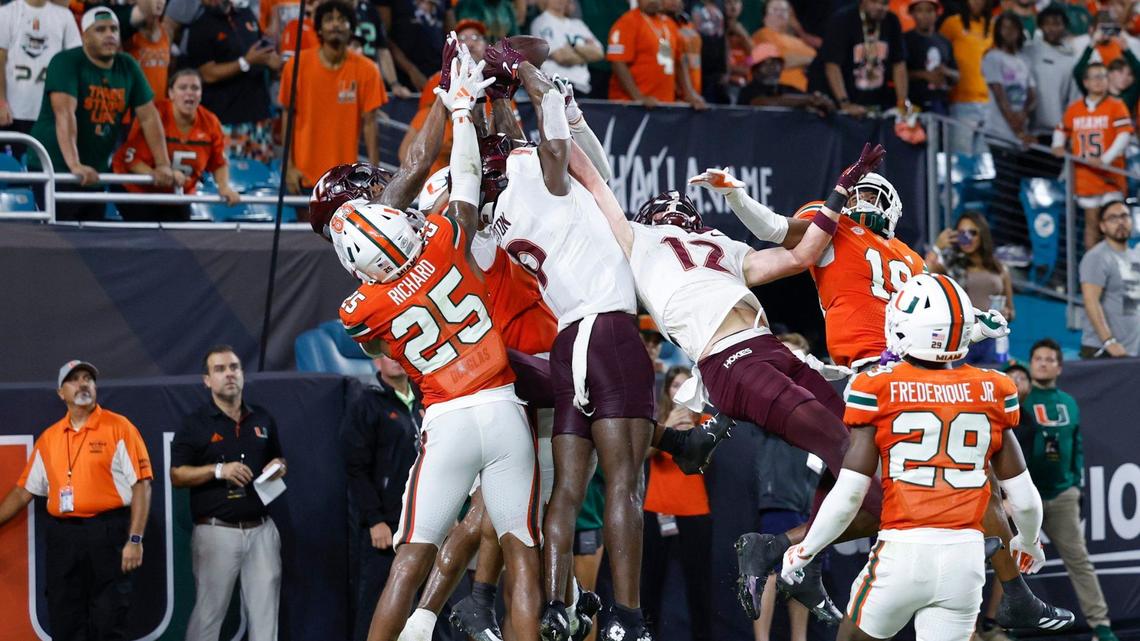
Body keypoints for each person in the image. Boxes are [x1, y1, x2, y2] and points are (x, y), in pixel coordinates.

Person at [692, 167, 1074, 633]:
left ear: (893, 208)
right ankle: (1016, 594)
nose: (866, 201)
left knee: (876, 499)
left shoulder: (912, 258)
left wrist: (976, 323)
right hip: (882, 374)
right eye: (861, 193)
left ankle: (782, 550)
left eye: (876, 193)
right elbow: (772, 228)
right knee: (969, 483)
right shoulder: (836, 227)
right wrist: (736, 197)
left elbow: (935, 315)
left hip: (909, 369)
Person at [577, 141, 891, 624]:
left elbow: (804, 253)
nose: (676, 211)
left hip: (769, 348)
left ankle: (791, 553)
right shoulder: (636, 240)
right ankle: (909, 516)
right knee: (838, 441)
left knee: (859, 430)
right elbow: (595, 183)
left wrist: (840, 189)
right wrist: (560, 113)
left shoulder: (721, 244)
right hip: (730, 362)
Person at [335, 52, 540, 641]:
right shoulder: (445, 240)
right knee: (520, 553)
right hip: (503, 408)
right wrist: (460, 111)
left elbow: (373, 315)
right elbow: (468, 182)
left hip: (447, 419)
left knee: (410, 556)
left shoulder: (361, 306)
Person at [478, 48, 660, 641]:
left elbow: (545, 154)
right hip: (606, 330)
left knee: (566, 490)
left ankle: (558, 606)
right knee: (624, 482)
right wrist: (533, 82)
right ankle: (626, 616)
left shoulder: (500, 214)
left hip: (567, 342)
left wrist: (501, 100)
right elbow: (554, 148)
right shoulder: (534, 174)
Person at [779, 274, 1045, 641]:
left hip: (903, 550)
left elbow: (849, 494)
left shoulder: (878, 385)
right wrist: (1027, 542)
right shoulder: (994, 388)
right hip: (965, 559)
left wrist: (806, 550)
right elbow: (1025, 499)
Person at [0, 360, 153, 641]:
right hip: (63, 537)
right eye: (74, 380)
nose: (83, 384)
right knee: (64, 618)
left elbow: (142, 484)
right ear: (61, 393)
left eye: (88, 379)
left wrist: (135, 539)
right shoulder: (49, 438)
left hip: (107, 533)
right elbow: (24, 491)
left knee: (109, 619)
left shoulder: (120, 428)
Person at [171, 346, 287, 641]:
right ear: (207, 380)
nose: (229, 374)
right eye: (220, 369)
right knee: (209, 615)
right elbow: (177, 474)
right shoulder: (195, 423)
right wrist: (218, 471)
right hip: (217, 530)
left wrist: (278, 466)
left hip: (261, 528)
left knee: (265, 615)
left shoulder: (262, 418)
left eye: (234, 367)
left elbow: (279, 458)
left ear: (243, 374)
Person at [27, 7, 173, 220]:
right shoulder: (66, 62)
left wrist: (163, 165)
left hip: (95, 169)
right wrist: (74, 164)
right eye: (101, 30)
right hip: (55, 165)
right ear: (85, 36)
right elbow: (65, 114)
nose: (110, 35)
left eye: (114, 29)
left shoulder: (127, 65)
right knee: (64, 237)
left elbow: (149, 116)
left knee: (92, 238)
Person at [1018, 339, 1119, 641]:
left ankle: (1101, 626)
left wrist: (1076, 485)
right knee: (1009, 564)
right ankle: (997, 626)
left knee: (1080, 562)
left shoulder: (1069, 402)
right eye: (1038, 358)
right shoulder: (1019, 399)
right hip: (1025, 498)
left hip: (1062, 494)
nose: (1044, 363)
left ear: (1060, 367)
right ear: (1030, 363)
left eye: (1050, 359)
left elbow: (1076, 448)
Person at [341, 355, 424, 641]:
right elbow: (355, 468)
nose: (396, 360)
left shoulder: (426, 396)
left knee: (431, 608)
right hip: (386, 528)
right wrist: (375, 520)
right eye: (388, 354)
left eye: (400, 351)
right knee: (375, 606)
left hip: (425, 523)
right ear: (377, 361)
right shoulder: (366, 403)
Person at [279, 0, 385, 196]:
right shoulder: (295, 66)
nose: (336, 24)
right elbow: (287, 117)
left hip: (346, 180)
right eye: (329, 20)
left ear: (351, 28)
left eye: (342, 20)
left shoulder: (368, 70)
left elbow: (371, 125)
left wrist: (373, 175)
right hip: (303, 174)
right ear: (318, 28)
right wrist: (288, 167)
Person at [112, 68, 240, 222]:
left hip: (177, 192)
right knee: (147, 237)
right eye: (183, 87)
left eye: (195, 88)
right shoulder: (155, 116)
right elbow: (131, 160)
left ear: (201, 94)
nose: (189, 92)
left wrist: (224, 186)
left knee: (180, 236)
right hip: (135, 188)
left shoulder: (211, 122)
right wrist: (162, 174)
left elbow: (218, 162)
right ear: (171, 93)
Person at [641, 366, 712, 641]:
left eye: (686, 384)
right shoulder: (657, 420)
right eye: (675, 385)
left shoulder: (704, 420)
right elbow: (643, 454)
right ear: (667, 389)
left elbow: (704, 461)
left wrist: (693, 431)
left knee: (699, 587)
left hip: (695, 509)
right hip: (657, 508)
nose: (680, 390)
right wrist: (668, 426)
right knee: (650, 585)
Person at [185, 0, 282, 163]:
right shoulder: (201, 26)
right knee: (229, 180)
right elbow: (207, 74)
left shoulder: (247, 15)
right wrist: (246, 62)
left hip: (259, 118)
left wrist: (272, 62)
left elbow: (261, 51)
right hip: (226, 122)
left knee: (262, 179)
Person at [1053, 63, 1134, 249]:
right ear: (1086, 82)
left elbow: (1124, 135)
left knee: (1116, 224)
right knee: (1092, 225)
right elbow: (1060, 129)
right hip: (1085, 177)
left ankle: (1118, 269)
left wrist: (1105, 159)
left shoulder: (1116, 105)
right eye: (1095, 77)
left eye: (1103, 76)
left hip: (1110, 176)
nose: (1099, 81)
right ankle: (1093, 272)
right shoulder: (1074, 109)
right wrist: (1057, 145)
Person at [397, 19, 488, 176]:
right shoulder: (437, 80)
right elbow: (425, 123)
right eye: (463, 39)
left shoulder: (496, 84)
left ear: (487, 45)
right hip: (437, 176)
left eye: (475, 38)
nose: (470, 44)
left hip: (479, 172)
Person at [926, 211, 1016, 364]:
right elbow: (924, 272)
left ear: (982, 235)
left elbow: (1011, 311)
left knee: (991, 384)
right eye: (961, 233)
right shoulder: (951, 265)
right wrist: (937, 247)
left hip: (991, 337)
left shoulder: (1000, 268)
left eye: (972, 233)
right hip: (961, 337)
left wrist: (1006, 314)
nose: (967, 238)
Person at [0, 0, 80, 145]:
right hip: (13, 111)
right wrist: (0, 102)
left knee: (45, 166)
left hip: (51, 115)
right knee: (11, 165)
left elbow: (75, 62)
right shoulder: (7, 13)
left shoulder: (64, 16)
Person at [606, 0, 706, 110]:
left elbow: (679, 61)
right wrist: (638, 97)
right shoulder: (627, 22)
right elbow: (618, 62)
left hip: (664, 104)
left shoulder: (669, 24)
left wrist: (689, 94)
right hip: (630, 106)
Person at [818, 0, 909, 117]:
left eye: (885, 3)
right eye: (875, 2)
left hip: (877, 105)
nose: (880, 7)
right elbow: (832, 65)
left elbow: (899, 64)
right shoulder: (843, 20)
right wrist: (844, 103)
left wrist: (902, 103)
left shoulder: (892, 21)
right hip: (844, 105)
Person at [1078, 200, 1140, 357]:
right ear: (1102, 226)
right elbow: (1091, 301)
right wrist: (1108, 341)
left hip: (1130, 350)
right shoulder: (1096, 257)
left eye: (1124, 216)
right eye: (1113, 218)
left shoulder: (1134, 255)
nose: (1120, 222)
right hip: (1103, 350)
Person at [940, 0, 995, 153]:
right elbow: (940, 52)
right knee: (959, 158)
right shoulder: (952, 23)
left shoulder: (991, 26)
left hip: (988, 103)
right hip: (960, 101)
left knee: (985, 162)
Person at [1024, 4, 1084, 142]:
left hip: (1058, 133)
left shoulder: (1072, 60)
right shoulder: (1028, 52)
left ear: (1065, 27)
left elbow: (1074, 99)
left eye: (1057, 24)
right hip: (1029, 132)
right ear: (1040, 26)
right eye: (1047, 24)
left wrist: (1069, 132)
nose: (1052, 29)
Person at [983, 12, 1038, 146]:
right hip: (998, 133)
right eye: (1005, 28)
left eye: (1013, 28)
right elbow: (999, 95)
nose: (1009, 32)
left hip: (1020, 135)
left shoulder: (1024, 60)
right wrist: (1016, 128)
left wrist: (1023, 116)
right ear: (998, 31)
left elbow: (1031, 95)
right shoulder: (992, 57)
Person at [530, 0, 604, 95]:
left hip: (582, 86)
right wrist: (587, 54)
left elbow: (599, 53)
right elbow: (562, 57)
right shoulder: (541, 22)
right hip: (556, 85)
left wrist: (573, 46)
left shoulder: (578, 24)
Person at [738, 43, 835, 115]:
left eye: (777, 63)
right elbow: (763, 103)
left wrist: (821, 102)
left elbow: (812, 100)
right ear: (755, 70)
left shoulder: (787, 88)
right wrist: (808, 100)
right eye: (766, 64)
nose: (773, 67)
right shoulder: (748, 90)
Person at [378, 0, 452, 90]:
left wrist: (446, 70)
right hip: (403, 77)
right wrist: (411, 70)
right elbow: (383, 38)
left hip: (438, 71)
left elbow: (452, 34)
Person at [903, 0, 959, 115]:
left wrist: (946, 72)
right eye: (919, 10)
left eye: (929, 10)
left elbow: (957, 75)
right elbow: (896, 73)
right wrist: (924, 74)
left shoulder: (944, 42)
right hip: (913, 104)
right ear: (912, 14)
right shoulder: (904, 40)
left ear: (937, 13)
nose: (925, 15)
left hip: (940, 104)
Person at [752, 0, 816, 92]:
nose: (780, 13)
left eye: (784, 10)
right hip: (776, 92)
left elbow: (817, 59)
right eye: (775, 10)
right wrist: (811, 60)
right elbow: (777, 63)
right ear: (764, 17)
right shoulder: (763, 35)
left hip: (803, 93)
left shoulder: (799, 42)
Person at [123, 0, 170, 99]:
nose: (159, 2)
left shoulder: (167, 32)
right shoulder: (128, 34)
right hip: (136, 106)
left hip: (160, 108)